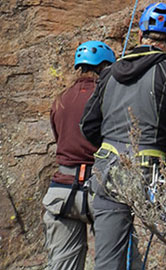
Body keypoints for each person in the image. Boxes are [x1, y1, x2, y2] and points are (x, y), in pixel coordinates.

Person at [80, 2, 166, 270]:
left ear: (140, 35)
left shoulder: (108, 74)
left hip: (107, 171)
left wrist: (110, 148)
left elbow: (87, 125)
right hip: (152, 175)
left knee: (108, 262)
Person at [42, 40, 117, 270]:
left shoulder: (60, 100)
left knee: (62, 266)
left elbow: (61, 139)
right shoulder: (108, 96)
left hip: (61, 192)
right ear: (104, 67)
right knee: (115, 262)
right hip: (100, 189)